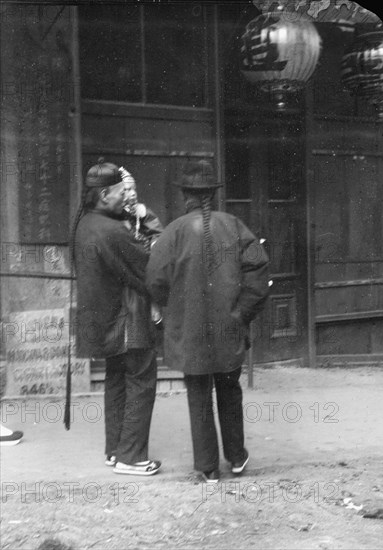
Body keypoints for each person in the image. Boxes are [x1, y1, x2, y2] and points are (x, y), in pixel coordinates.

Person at [146, 159, 270, 483]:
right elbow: (258, 275)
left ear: (186, 195)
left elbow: (155, 281)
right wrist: (242, 314)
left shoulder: (172, 232)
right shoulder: (234, 225)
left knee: (198, 395)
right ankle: (238, 457)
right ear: (211, 195)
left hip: (189, 332)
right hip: (229, 328)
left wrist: (168, 314)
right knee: (230, 391)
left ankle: (208, 467)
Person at [73, 159, 161, 476]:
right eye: (122, 192)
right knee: (140, 382)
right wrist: (149, 222)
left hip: (107, 321)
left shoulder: (85, 223)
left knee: (116, 384)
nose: (127, 197)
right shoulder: (113, 231)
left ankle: (115, 451)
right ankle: (132, 457)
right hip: (129, 320)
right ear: (106, 193)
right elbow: (149, 268)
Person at [119, 166, 164, 330]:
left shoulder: (143, 214)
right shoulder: (111, 217)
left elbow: (158, 233)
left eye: (134, 189)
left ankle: (154, 308)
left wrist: (154, 244)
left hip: (142, 276)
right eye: (127, 190)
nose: (132, 194)